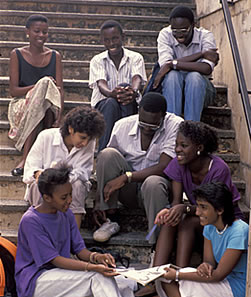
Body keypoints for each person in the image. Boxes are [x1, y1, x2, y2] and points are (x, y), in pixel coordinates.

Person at [15, 166, 184, 297]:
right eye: (64, 197)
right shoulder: (31, 220)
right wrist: (92, 267)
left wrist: (97, 257)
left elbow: (79, 249)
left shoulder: (66, 213)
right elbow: (55, 260)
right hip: (36, 284)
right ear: (47, 198)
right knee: (98, 277)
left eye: (70, 194)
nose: (70, 200)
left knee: (120, 282)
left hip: (61, 279)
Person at [136, 121, 243, 297]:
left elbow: (213, 209)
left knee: (187, 222)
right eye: (177, 144)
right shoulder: (179, 164)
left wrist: (184, 208)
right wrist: (169, 211)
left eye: (184, 145)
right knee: (172, 220)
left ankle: (180, 283)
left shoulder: (218, 169)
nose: (178, 150)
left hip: (221, 220)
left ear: (199, 148)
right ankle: (155, 279)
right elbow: (177, 202)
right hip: (200, 216)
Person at [156, 182, 249, 297]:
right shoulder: (210, 227)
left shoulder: (239, 231)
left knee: (177, 277)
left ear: (220, 210)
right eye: (198, 206)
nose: (197, 212)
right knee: (166, 280)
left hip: (239, 293)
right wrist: (204, 266)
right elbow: (209, 263)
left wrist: (178, 274)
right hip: (223, 284)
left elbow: (218, 274)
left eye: (203, 207)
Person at [93, 92, 183, 243]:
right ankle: (109, 218)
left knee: (153, 182)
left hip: (157, 191)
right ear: (138, 111)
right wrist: (98, 198)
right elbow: (107, 165)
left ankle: (157, 241)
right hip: (128, 191)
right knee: (107, 154)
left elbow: (164, 166)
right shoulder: (122, 125)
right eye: (143, 124)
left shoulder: (175, 125)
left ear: (163, 116)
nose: (147, 129)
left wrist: (127, 177)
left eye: (153, 125)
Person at [23, 105, 105, 229]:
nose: (85, 143)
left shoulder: (88, 143)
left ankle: (73, 238)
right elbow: (30, 169)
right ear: (71, 129)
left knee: (78, 184)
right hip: (46, 187)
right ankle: (43, 231)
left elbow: (83, 173)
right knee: (36, 184)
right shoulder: (46, 136)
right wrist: (38, 173)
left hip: (70, 186)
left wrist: (60, 180)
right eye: (82, 138)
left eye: (89, 139)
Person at [8, 14, 64, 176]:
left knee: (46, 96)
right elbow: (14, 91)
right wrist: (40, 86)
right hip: (22, 103)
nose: (41, 35)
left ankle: (31, 159)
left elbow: (59, 89)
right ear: (27, 32)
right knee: (45, 85)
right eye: (37, 31)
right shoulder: (17, 54)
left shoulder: (55, 56)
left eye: (45, 32)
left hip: (48, 104)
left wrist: (59, 117)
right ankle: (28, 158)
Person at [153, 6, 219, 122]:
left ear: (193, 25)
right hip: (172, 91)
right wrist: (201, 54)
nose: (179, 35)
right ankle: (172, 127)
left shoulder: (205, 36)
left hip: (200, 91)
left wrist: (172, 64)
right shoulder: (165, 34)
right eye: (175, 30)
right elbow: (165, 65)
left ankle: (191, 128)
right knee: (173, 76)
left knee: (194, 77)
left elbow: (207, 68)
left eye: (184, 30)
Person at [89, 20, 147, 151]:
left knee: (125, 86)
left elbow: (137, 78)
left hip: (130, 105)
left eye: (115, 38)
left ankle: (118, 149)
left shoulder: (135, 57)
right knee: (110, 103)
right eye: (107, 40)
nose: (111, 43)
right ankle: (105, 152)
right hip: (104, 106)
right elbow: (101, 84)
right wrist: (111, 94)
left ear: (123, 37)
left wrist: (133, 91)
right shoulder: (97, 60)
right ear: (102, 41)